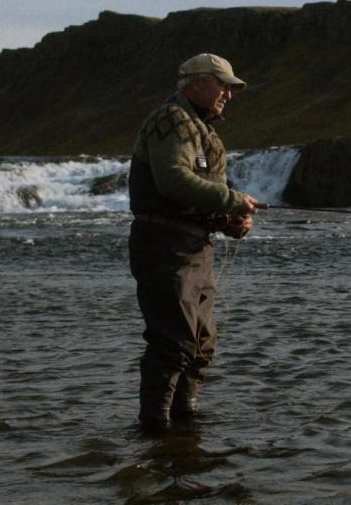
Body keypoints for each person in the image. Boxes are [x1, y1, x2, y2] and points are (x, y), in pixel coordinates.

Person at [128, 53, 258, 433]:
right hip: (163, 246)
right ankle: (154, 431)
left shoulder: (201, 129)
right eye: (223, 85)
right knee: (174, 342)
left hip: (194, 247)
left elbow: (197, 196)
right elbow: (173, 181)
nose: (228, 95)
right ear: (196, 82)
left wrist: (229, 222)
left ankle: (184, 425)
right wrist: (233, 201)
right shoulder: (171, 119)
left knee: (201, 344)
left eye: (232, 88)